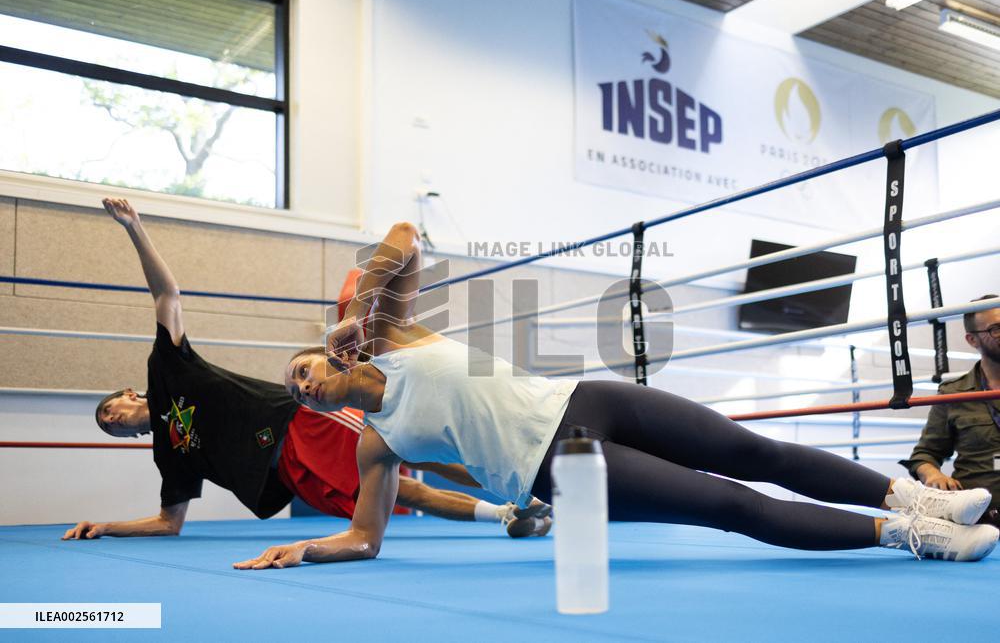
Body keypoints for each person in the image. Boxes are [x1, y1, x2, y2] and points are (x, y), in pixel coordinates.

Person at [235, 222, 999, 570]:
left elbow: (406, 236)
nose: (301, 384)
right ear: (317, 407)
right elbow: (366, 538)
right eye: (296, 392)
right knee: (729, 503)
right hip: (558, 468)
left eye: (301, 370)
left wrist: (364, 306)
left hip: (585, 400)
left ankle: (916, 498)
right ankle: (914, 538)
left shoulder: (390, 335)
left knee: (754, 449)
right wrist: (304, 549)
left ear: (325, 355)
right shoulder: (378, 443)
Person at [63, 200, 551, 543]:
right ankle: (510, 511)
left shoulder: (167, 370)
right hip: (286, 473)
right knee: (394, 487)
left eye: (109, 410)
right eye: (109, 427)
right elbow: (168, 523)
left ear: (130, 393)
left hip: (298, 423)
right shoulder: (168, 454)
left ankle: (520, 496)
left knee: (418, 453)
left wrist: (134, 227)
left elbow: (166, 296)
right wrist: (106, 527)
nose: (113, 420)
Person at [900, 295, 1000, 527]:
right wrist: (933, 475)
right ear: (972, 340)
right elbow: (924, 455)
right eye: (996, 329)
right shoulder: (953, 393)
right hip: (977, 519)